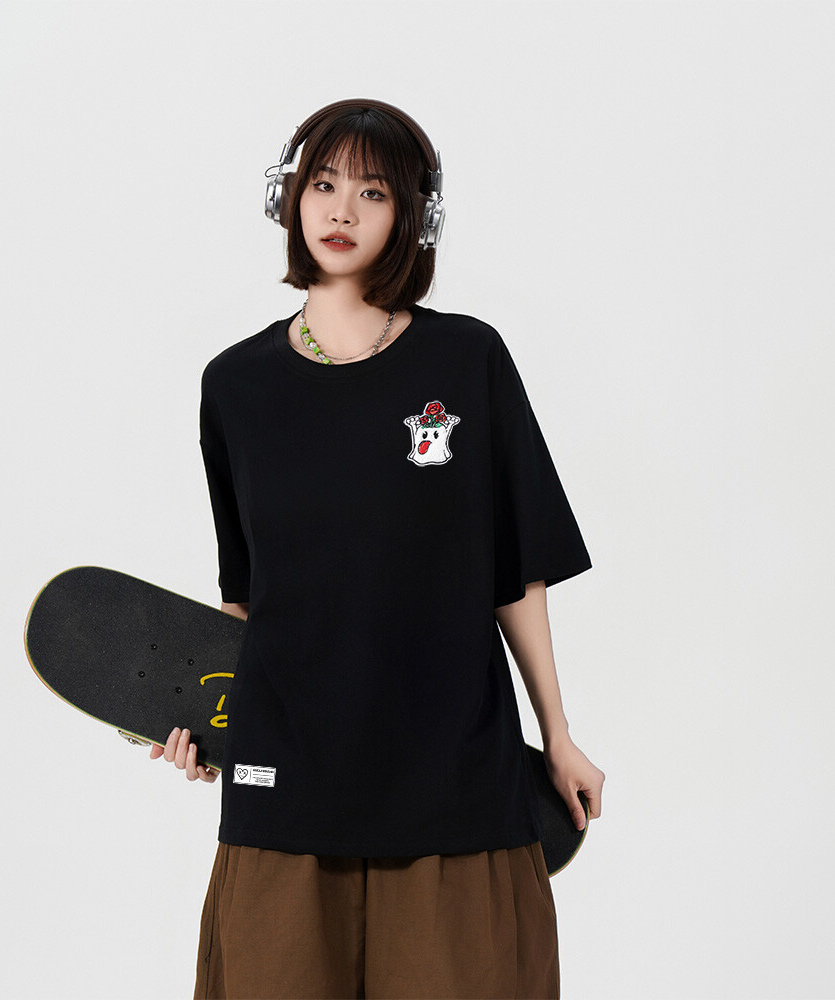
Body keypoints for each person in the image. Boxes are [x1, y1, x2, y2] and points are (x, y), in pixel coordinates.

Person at [150, 98, 605, 1000]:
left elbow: (514, 570)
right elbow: (246, 593)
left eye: (373, 192)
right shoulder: (234, 384)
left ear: (412, 216)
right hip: (286, 784)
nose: (342, 212)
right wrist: (205, 717)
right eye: (323, 185)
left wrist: (558, 736)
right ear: (288, 197)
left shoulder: (467, 360)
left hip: (451, 777)